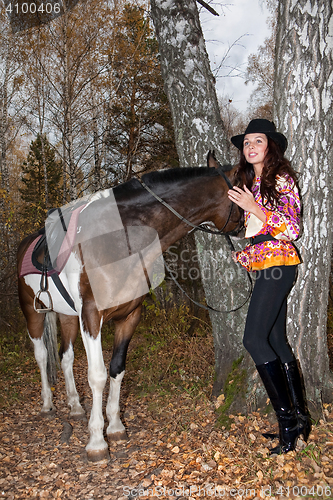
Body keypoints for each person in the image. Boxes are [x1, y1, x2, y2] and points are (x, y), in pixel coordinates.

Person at [227, 119, 311, 454]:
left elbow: (291, 229)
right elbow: (262, 235)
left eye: (257, 141)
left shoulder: (281, 178)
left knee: (253, 339)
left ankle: (287, 428)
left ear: (270, 146)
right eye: (246, 143)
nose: (250, 147)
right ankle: (301, 419)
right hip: (267, 264)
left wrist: (254, 207)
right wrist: (245, 255)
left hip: (280, 265)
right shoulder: (254, 181)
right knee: (275, 339)